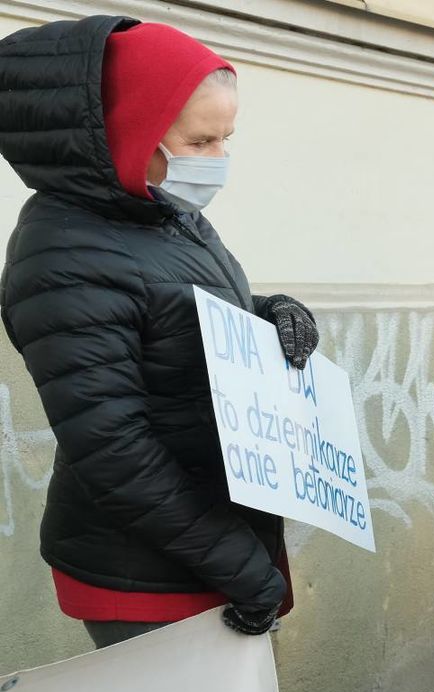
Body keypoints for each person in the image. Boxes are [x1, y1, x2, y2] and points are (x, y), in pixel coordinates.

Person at [0, 17, 318, 647]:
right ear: (130, 132)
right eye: (200, 142)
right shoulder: (62, 253)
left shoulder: (162, 213)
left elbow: (177, 312)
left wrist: (273, 312)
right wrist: (242, 567)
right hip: (144, 572)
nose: (217, 162)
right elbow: (114, 449)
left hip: (209, 547)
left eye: (227, 139)